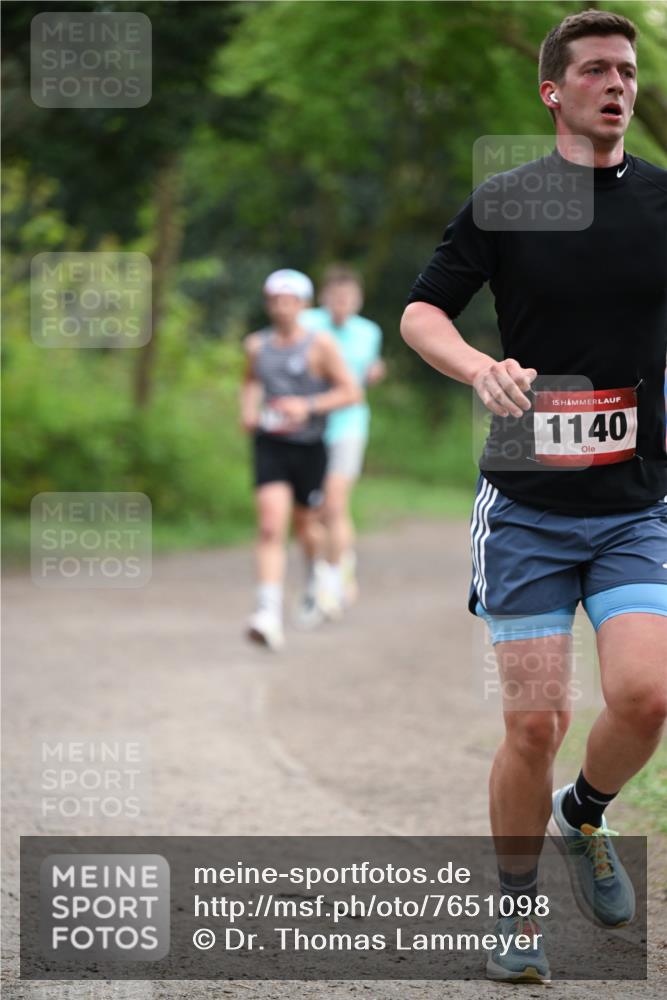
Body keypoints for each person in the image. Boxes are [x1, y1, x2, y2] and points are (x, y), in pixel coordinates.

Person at [401, 9, 666, 984]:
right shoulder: (508, 203)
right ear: (552, 91)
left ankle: (582, 814)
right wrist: (478, 368)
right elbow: (421, 309)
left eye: (627, 70)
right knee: (533, 723)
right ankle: (515, 916)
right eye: (595, 69)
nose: (617, 83)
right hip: (526, 506)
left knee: (646, 693)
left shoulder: (662, 203)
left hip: (638, 501)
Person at [240, 269, 362, 650]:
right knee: (271, 526)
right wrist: (247, 411)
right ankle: (267, 613)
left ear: (304, 305)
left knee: (307, 527)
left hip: (310, 447)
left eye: (289, 300)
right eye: (275, 300)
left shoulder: (319, 345)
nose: (281, 307)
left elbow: (351, 392)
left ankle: (317, 574)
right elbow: (250, 381)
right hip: (270, 444)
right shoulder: (257, 346)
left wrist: (306, 406)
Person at [300, 266, 385, 618]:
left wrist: (376, 371)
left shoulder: (369, 332)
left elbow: (369, 368)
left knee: (334, 505)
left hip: (349, 426)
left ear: (358, 301)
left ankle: (332, 583)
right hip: (308, 428)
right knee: (311, 512)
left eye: (348, 299)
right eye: (336, 298)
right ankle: (332, 567)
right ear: (324, 299)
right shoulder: (307, 323)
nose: (341, 305)